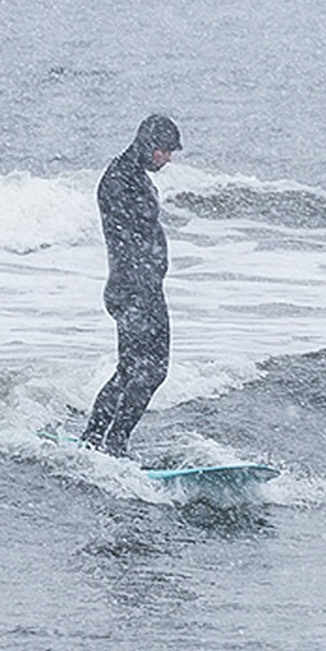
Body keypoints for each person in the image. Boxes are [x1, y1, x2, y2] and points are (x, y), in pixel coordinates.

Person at [82, 114, 182, 457]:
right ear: (146, 145)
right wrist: (140, 284)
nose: (167, 158)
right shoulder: (118, 180)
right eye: (163, 151)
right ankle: (114, 443)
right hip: (134, 290)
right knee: (149, 371)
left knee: (132, 371)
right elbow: (126, 238)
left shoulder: (133, 175)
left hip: (143, 288)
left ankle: (95, 439)